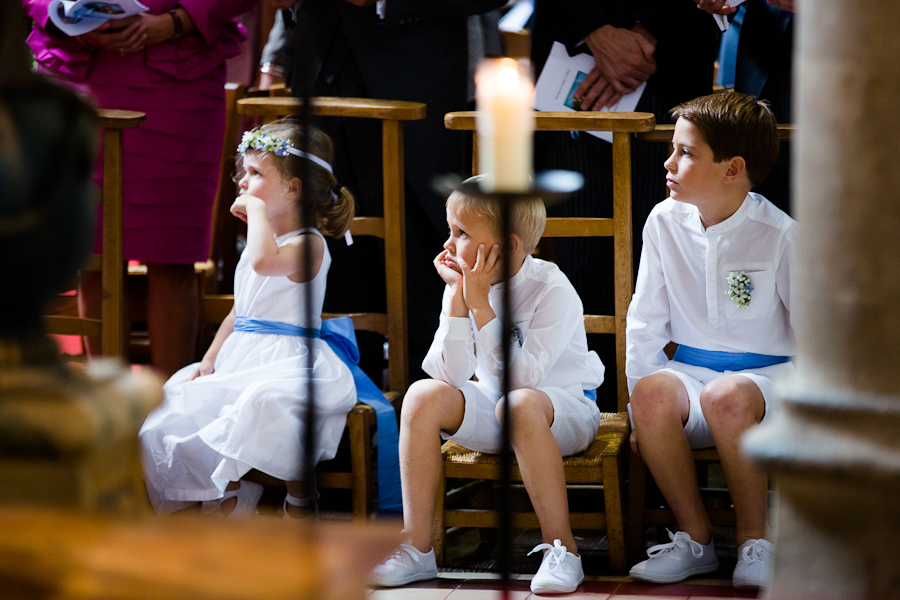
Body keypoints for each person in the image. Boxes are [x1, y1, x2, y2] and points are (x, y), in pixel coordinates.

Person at [370, 179, 605, 594]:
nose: (448, 242)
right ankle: (417, 548)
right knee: (421, 396)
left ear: (509, 246)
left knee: (519, 404)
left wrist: (480, 305)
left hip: (562, 412)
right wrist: (459, 301)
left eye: (461, 233)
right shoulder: (465, 286)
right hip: (499, 408)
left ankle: (562, 550)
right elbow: (447, 374)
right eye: (450, 230)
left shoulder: (552, 288)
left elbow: (525, 380)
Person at [22, 0, 257, 376]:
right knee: (93, 255)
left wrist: (175, 21)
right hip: (83, 69)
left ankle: (172, 411)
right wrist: (62, 14)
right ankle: (108, 411)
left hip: (181, 75)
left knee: (173, 256)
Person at [139, 120, 360, 518]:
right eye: (244, 171)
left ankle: (297, 500)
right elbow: (240, 310)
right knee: (178, 399)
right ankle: (224, 495)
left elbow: (264, 262)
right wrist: (209, 359)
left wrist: (256, 211)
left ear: (293, 189)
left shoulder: (309, 244)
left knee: (261, 401)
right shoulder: (262, 242)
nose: (242, 181)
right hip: (242, 354)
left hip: (291, 360)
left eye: (256, 174)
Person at [625, 92, 794, 589]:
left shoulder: (781, 235)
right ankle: (695, 539)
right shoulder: (662, 221)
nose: (669, 161)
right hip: (693, 373)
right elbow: (646, 317)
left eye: (686, 152)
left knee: (726, 396)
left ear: (732, 168)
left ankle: (753, 541)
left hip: (769, 381)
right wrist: (642, 405)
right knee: (652, 391)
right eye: (673, 149)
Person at [292, 0, 506, 382]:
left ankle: (431, 417)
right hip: (322, 69)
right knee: (335, 253)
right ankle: (352, 414)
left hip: (414, 82)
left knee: (423, 258)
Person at [529, 0, 719, 410]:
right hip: (572, 71)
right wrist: (595, 29)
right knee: (578, 268)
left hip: (672, 63)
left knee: (667, 269)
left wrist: (648, 32)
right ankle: (580, 418)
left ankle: (657, 428)